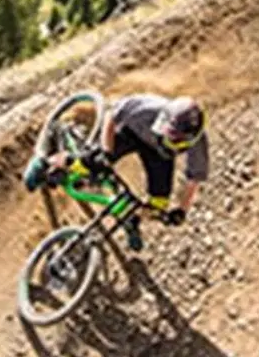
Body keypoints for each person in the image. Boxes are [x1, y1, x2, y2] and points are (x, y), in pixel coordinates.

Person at [74, 93, 208, 250]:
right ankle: (45, 165)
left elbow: (194, 179)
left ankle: (132, 218)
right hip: (131, 134)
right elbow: (112, 114)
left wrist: (181, 210)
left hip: (159, 155)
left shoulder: (199, 144)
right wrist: (106, 151)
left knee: (159, 205)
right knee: (89, 163)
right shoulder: (147, 108)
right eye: (169, 131)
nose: (169, 137)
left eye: (176, 138)